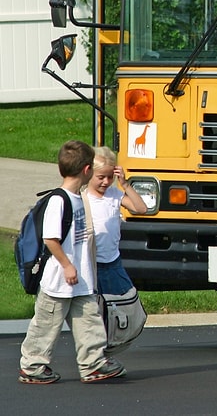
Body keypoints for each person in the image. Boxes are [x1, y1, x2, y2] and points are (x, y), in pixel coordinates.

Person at [19, 140, 125, 384]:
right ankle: (32, 366)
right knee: (46, 326)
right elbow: (50, 239)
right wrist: (67, 265)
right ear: (87, 170)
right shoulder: (59, 200)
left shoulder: (77, 198)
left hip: (80, 279)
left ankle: (93, 364)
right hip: (58, 280)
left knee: (90, 322)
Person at [86, 146, 147, 296]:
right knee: (96, 307)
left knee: (126, 300)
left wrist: (125, 184)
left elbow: (141, 209)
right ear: (89, 174)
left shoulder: (114, 194)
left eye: (110, 177)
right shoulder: (83, 197)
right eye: (101, 177)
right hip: (92, 263)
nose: (106, 182)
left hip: (113, 262)